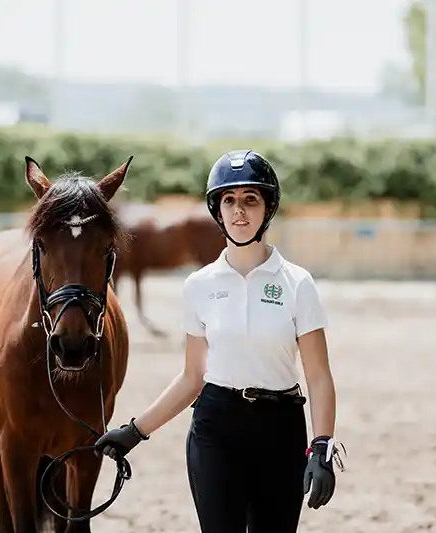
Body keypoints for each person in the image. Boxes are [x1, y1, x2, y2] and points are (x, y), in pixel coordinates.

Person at [94, 149, 345, 533]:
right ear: (217, 210)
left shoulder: (298, 284)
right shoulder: (199, 286)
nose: (239, 211)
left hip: (281, 428)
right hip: (216, 427)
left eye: (250, 200)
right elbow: (191, 377)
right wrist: (134, 431)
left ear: (268, 208)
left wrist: (323, 446)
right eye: (228, 200)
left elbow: (319, 376)